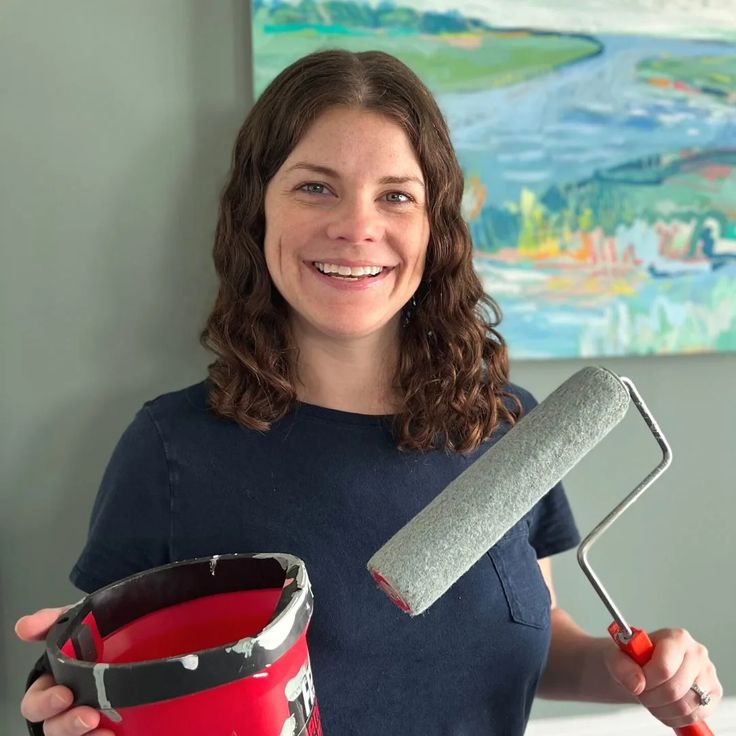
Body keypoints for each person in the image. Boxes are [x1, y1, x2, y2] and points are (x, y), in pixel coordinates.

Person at [16, 49, 721, 736]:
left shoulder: (504, 424)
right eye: (315, 186)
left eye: (396, 195)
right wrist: (68, 717)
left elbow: (530, 643)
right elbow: (111, 687)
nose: (357, 227)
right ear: (257, 212)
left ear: (433, 226)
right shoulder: (173, 450)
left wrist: (639, 672)